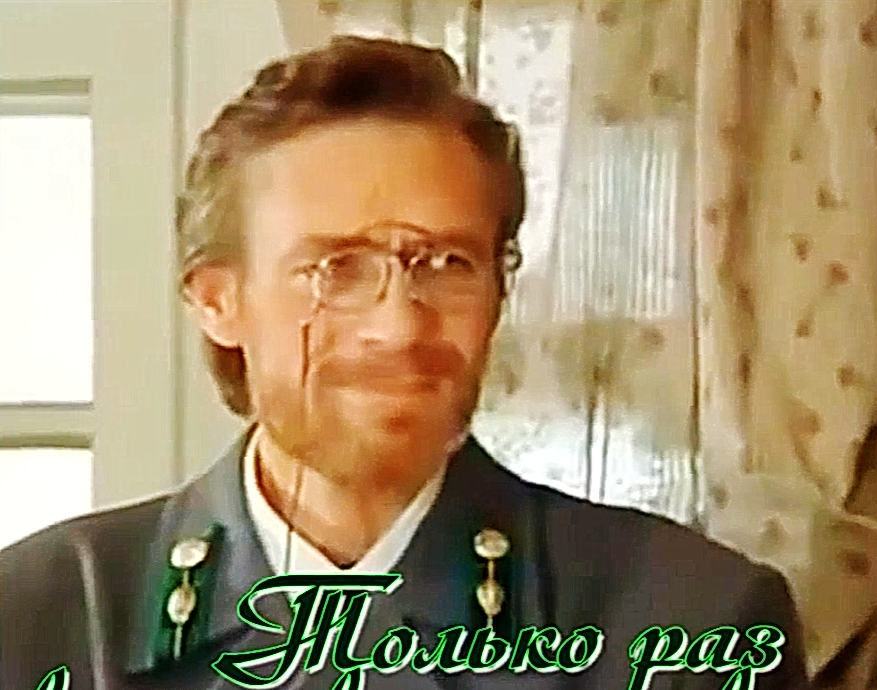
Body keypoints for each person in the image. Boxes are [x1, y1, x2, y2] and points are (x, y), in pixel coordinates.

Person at [1, 37, 811, 690]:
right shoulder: (41, 618)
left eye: (448, 264)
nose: (397, 327)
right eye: (336, 269)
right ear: (218, 301)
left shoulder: (691, 624)